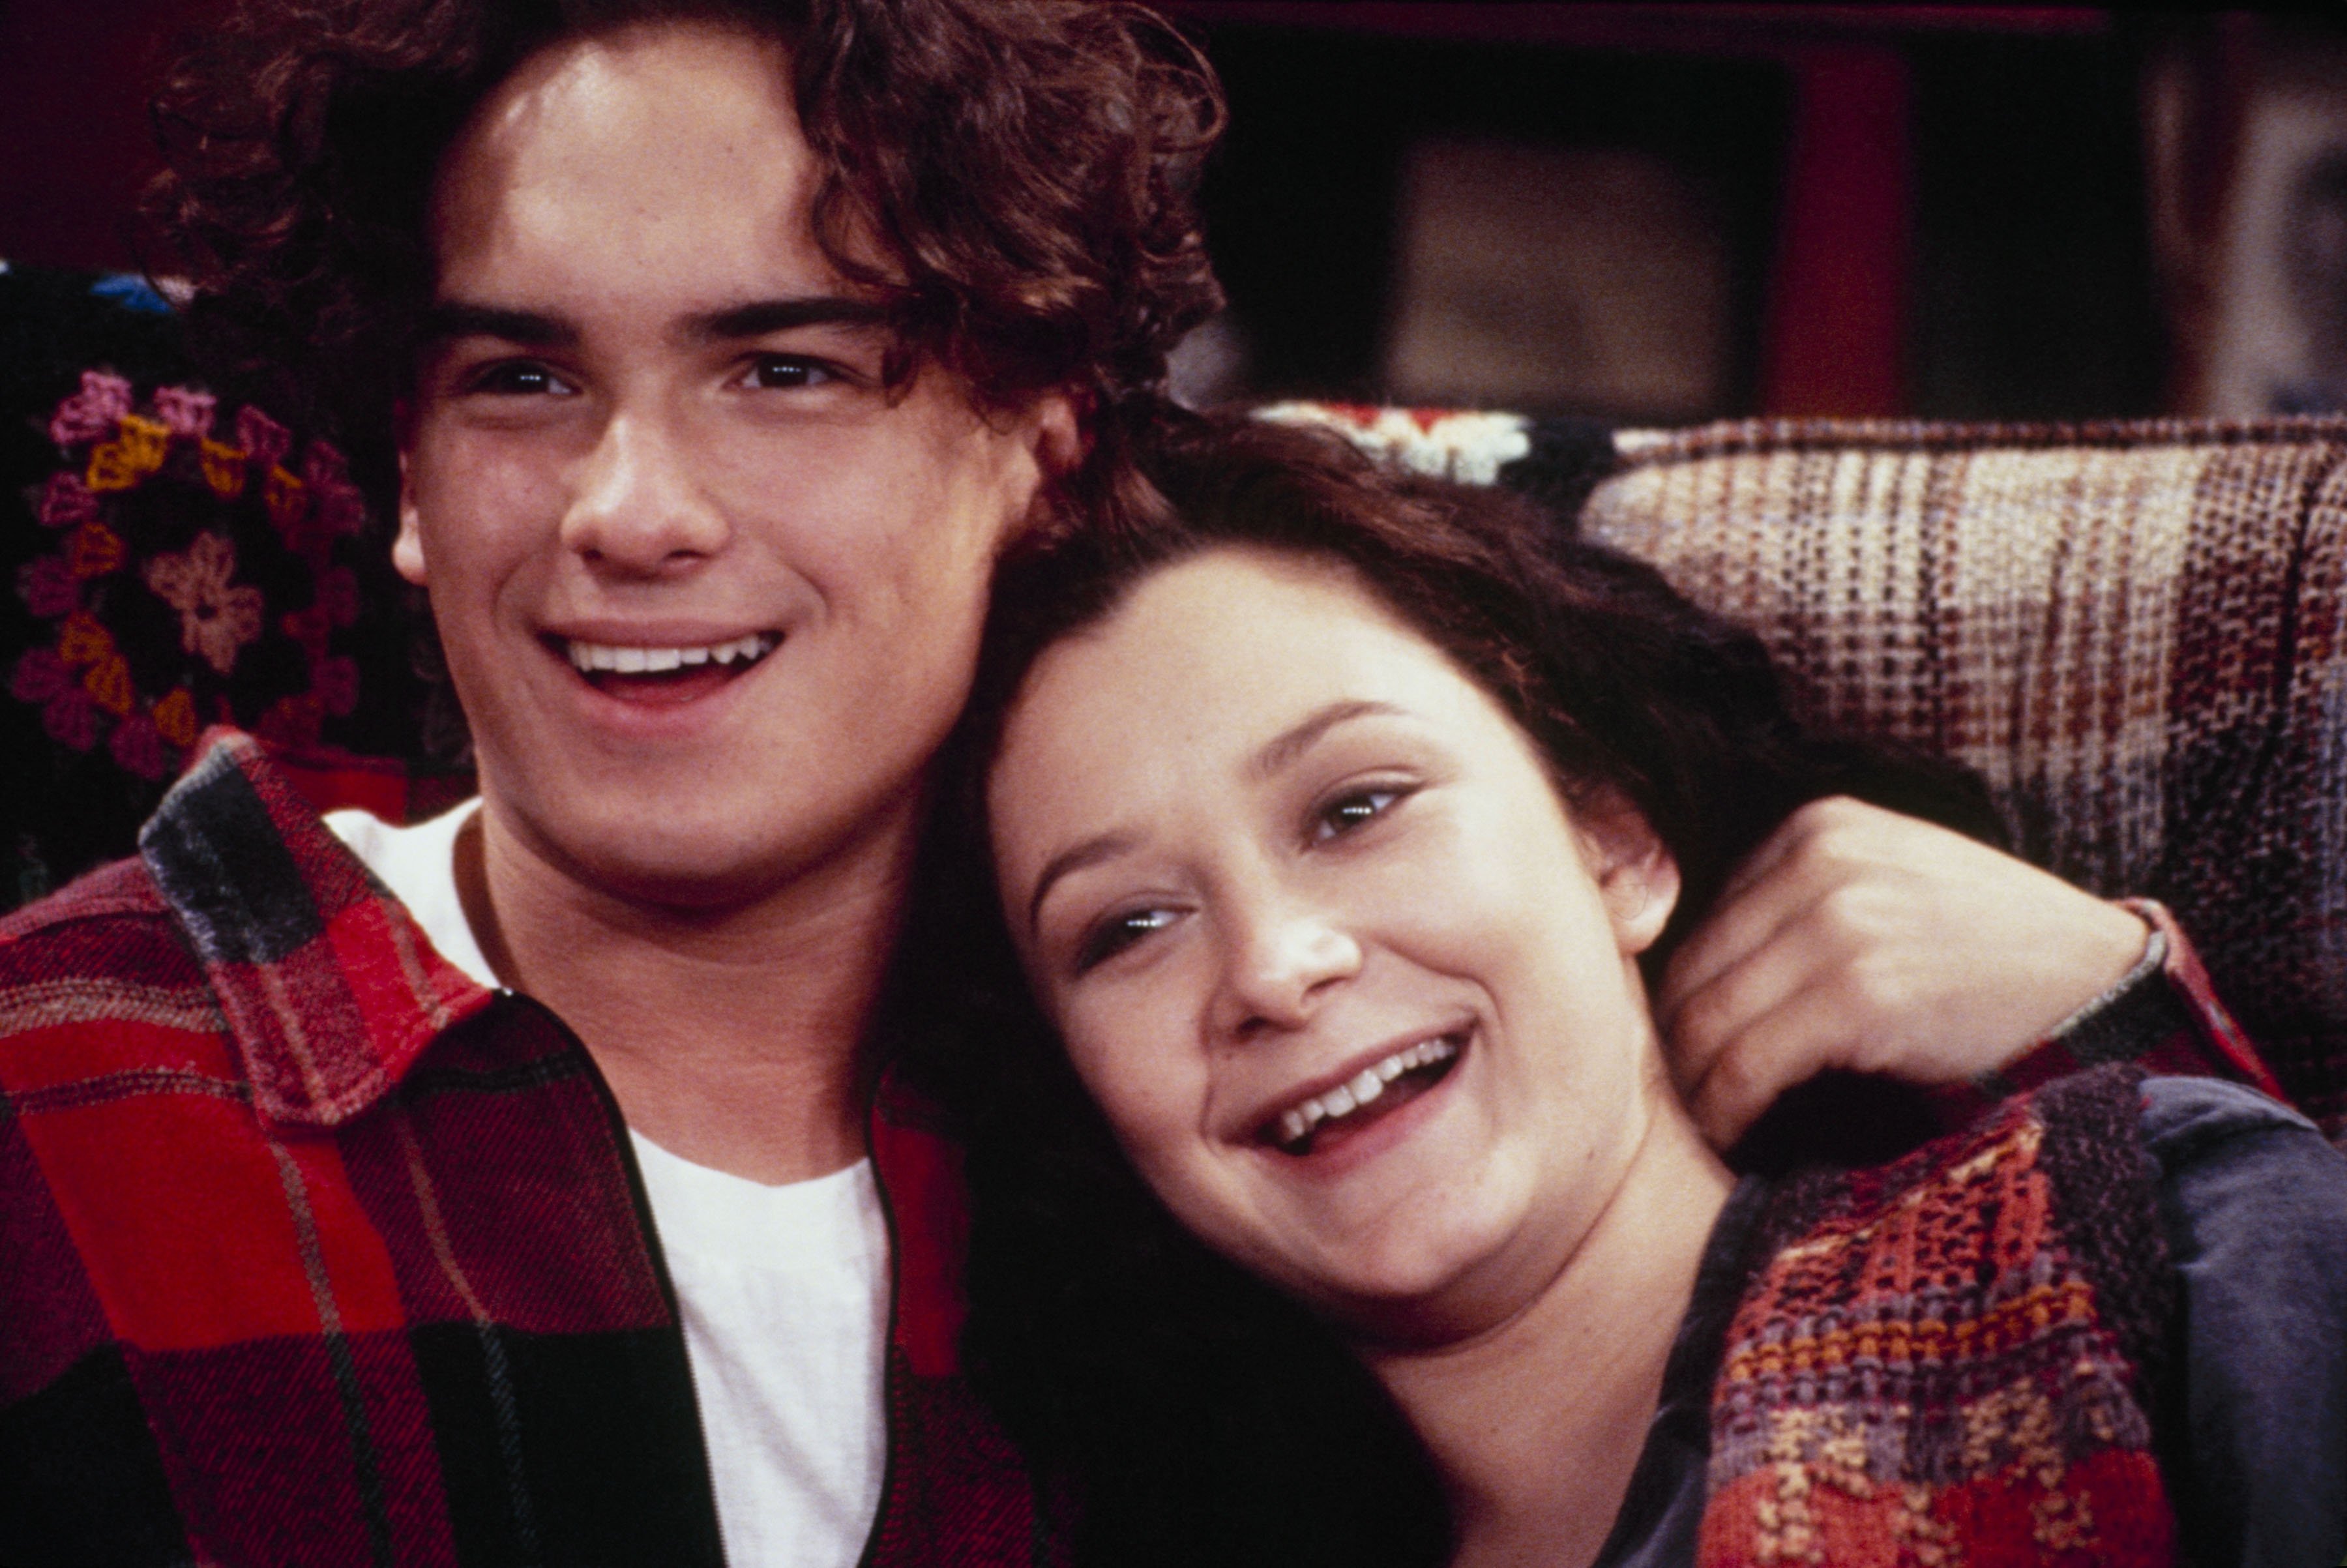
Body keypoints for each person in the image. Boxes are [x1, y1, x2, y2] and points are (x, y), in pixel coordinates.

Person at [0, 2, 2274, 1564]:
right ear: (401, 466)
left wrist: (2114, 1004)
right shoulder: (65, 1114)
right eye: (517, 379)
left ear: (1044, 436)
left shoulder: (1214, 1144)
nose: (628, 506)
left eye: (786, 366)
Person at [942, 415, 2347, 1568]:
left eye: (1357, 807)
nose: (1270, 966)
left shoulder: (2160, 1237)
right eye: (1127, 926)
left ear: (1615, 842)